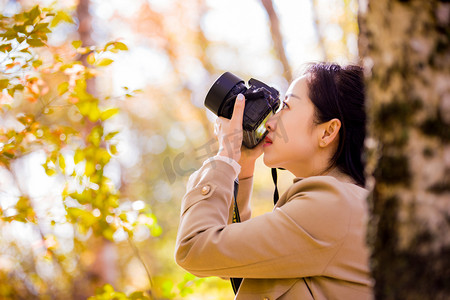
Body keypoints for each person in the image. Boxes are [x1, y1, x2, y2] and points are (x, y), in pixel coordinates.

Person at [175, 62, 373, 299]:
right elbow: (228, 261)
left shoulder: (333, 206)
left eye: (286, 106)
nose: (269, 122)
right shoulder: (344, 204)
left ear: (327, 132)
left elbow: (194, 248)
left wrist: (225, 157)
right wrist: (243, 167)